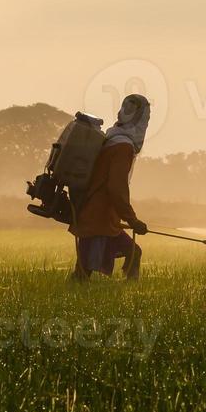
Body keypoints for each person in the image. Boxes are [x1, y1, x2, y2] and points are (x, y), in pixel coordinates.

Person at [70, 94, 150, 280]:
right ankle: (130, 294)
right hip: (101, 217)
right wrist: (132, 220)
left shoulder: (111, 138)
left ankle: (130, 294)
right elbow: (116, 187)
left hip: (96, 214)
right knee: (84, 271)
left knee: (132, 253)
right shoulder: (123, 146)